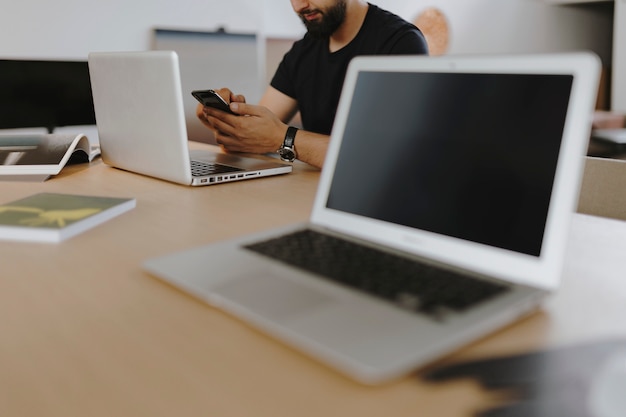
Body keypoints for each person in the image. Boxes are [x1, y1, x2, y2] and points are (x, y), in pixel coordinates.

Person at [197, 0, 429, 169]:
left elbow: (388, 159)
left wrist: (283, 138)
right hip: (310, 196)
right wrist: (223, 119)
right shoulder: (302, 53)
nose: (299, 6)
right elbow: (254, 137)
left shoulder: (401, 43)